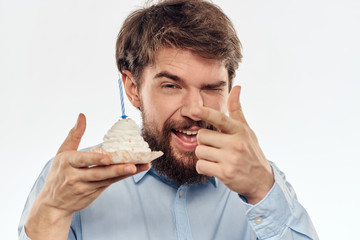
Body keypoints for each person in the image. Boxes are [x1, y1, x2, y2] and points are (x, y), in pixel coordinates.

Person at [18, 0, 319, 239]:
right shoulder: (67, 182)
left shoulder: (262, 182)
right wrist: (52, 213)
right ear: (133, 88)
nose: (195, 109)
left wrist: (262, 192)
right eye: (172, 86)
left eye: (212, 88)